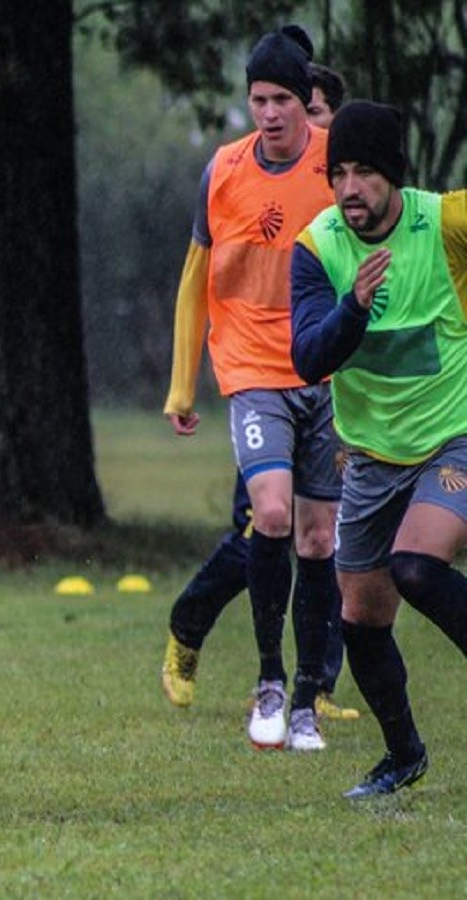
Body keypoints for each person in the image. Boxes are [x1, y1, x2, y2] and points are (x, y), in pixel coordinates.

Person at [161, 58, 359, 724]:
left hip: (325, 375)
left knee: (317, 537)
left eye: (286, 100)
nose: (271, 113)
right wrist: (181, 387)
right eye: (259, 100)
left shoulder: (342, 168)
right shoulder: (223, 170)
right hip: (250, 372)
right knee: (266, 519)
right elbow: (196, 281)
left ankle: (313, 688)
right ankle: (247, 663)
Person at [291, 100, 467, 797]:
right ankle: (403, 756)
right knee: (361, 620)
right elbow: (307, 357)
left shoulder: (446, 223)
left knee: (418, 567)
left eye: (364, 172)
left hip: (454, 436)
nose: (348, 188)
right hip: (369, 457)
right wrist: (354, 308)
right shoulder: (318, 247)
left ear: (392, 174)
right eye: (338, 173)